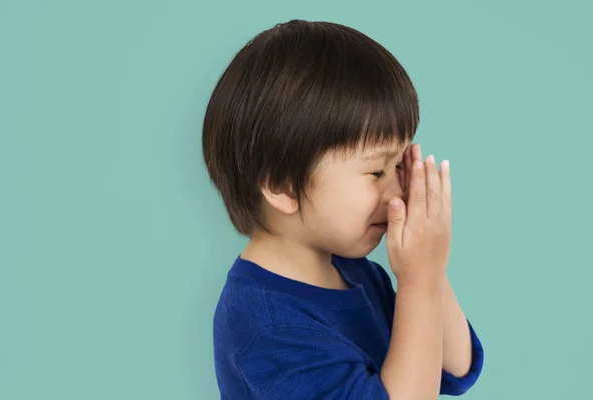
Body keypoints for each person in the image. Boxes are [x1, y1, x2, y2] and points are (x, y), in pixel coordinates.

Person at [202, 19, 484, 399]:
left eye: (400, 166)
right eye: (376, 171)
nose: (397, 191)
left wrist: (428, 271)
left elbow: (455, 367)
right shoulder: (266, 323)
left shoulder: (357, 274)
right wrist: (418, 279)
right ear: (283, 185)